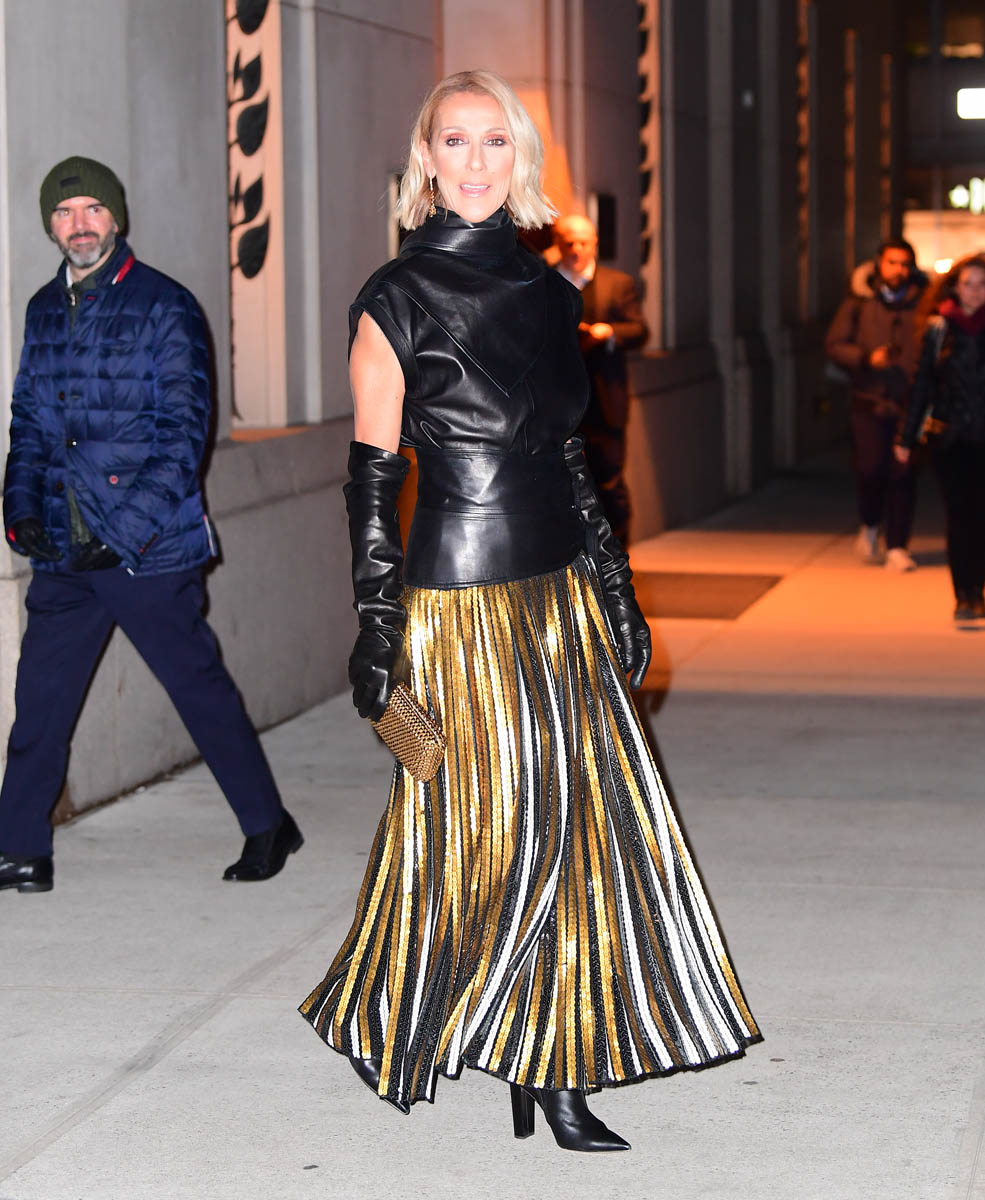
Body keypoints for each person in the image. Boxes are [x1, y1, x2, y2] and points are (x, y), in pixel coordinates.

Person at [299, 70, 759, 1153]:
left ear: (521, 161)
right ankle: (386, 1002)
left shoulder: (551, 294)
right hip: (459, 599)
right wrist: (377, 629)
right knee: (484, 829)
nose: (474, 161)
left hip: (561, 594)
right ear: (425, 161)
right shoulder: (393, 299)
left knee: (583, 826)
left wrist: (617, 590)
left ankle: (553, 1062)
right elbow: (370, 481)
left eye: (493, 141)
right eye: (454, 141)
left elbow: (570, 459)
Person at [0, 156, 302, 893]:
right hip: (65, 551)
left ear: (116, 217)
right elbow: (30, 424)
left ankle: (268, 825)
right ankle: (20, 849)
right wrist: (20, 509)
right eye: (64, 212)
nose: (79, 224)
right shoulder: (43, 309)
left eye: (92, 209)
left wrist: (124, 532)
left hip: (147, 549)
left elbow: (183, 437)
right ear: (50, 226)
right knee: (39, 703)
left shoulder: (165, 305)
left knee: (198, 689)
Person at [825, 240, 927, 570]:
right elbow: (835, 344)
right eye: (892, 262)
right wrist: (867, 359)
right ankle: (870, 525)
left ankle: (897, 545)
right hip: (868, 401)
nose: (899, 270)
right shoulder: (859, 302)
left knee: (904, 473)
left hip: (909, 404)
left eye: (905, 264)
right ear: (879, 264)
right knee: (871, 470)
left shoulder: (924, 304)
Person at [896, 254, 985, 621]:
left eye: (982, 284)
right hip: (952, 438)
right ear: (955, 288)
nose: (975, 292)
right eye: (968, 284)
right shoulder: (939, 329)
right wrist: (906, 437)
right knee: (960, 515)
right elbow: (922, 386)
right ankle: (966, 594)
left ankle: (977, 586)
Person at [552, 214, 648, 545]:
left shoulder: (616, 284)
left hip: (605, 402)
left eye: (583, 242)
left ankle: (617, 553)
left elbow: (639, 330)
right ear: (558, 245)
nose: (576, 249)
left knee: (608, 480)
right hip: (560, 404)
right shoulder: (545, 283)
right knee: (561, 483)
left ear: (594, 244)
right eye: (569, 243)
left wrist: (609, 332)